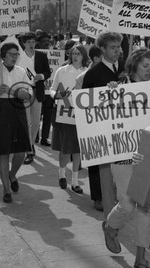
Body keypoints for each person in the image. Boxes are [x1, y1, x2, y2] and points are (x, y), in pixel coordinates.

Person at [101, 48, 150, 268]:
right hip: (123, 155)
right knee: (127, 204)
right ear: (134, 66)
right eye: (145, 66)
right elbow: (103, 115)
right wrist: (110, 94)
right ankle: (110, 226)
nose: (149, 70)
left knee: (146, 207)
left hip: (146, 156)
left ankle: (141, 255)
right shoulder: (119, 88)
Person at [0, 43, 32, 203]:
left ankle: (12, 174)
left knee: (20, 152)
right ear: (3, 56)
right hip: (0, 111)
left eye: (16, 54)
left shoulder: (21, 72)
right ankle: (6, 189)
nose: (15, 57)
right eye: (11, 54)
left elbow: (28, 94)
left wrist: (12, 91)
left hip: (18, 110)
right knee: (3, 151)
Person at [82, 31, 125, 211]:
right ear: (102, 49)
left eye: (118, 47)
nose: (117, 51)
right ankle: (98, 196)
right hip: (99, 124)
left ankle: (116, 192)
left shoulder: (123, 69)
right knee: (98, 159)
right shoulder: (93, 73)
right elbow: (84, 102)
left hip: (121, 122)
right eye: (113, 48)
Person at [51, 44, 88, 193]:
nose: (75, 56)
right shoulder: (62, 70)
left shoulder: (87, 72)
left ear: (84, 56)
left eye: (78, 53)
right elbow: (53, 89)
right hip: (64, 112)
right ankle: (61, 174)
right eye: (73, 53)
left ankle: (75, 181)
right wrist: (56, 96)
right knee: (66, 149)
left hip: (81, 114)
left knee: (78, 149)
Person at [17, 32, 51, 164]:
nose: (31, 45)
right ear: (23, 44)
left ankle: (30, 144)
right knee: (26, 122)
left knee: (36, 122)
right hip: (24, 91)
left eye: (33, 42)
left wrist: (41, 76)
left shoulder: (41, 56)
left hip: (37, 91)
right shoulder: (18, 56)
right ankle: (29, 149)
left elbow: (48, 71)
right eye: (28, 42)